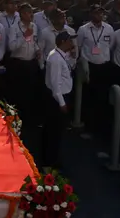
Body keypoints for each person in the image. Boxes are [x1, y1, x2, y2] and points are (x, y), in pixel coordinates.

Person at [41, 31, 76, 170]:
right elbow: (55, 84)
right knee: (53, 131)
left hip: (61, 96)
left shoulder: (61, 55)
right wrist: (62, 103)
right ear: (63, 42)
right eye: (69, 41)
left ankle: (53, 158)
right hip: (57, 99)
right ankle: (49, 161)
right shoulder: (55, 58)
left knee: (57, 131)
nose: (72, 43)